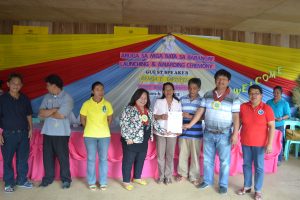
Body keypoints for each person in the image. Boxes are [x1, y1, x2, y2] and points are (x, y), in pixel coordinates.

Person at [183, 69, 240, 194]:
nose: (221, 81)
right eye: (219, 79)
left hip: (225, 134)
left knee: (224, 161)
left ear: (228, 81)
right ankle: (207, 181)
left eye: (224, 79)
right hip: (208, 133)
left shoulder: (234, 97)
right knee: (208, 160)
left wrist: (235, 134)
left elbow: (236, 117)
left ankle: (223, 184)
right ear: (215, 80)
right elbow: (200, 112)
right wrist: (190, 124)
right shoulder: (208, 94)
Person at [120, 88, 166, 191]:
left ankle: (137, 177)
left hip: (143, 140)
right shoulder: (129, 109)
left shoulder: (148, 111)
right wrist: (128, 138)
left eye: (145, 98)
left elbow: (154, 123)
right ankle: (126, 181)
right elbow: (123, 124)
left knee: (140, 160)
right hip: (131, 141)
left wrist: (164, 131)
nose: (143, 100)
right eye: (141, 97)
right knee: (128, 161)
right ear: (135, 98)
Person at [238, 84, 275, 200]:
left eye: (256, 93)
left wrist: (269, 143)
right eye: (251, 93)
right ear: (248, 95)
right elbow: (238, 123)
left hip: (260, 144)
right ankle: (247, 186)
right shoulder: (243, 107)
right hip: (245, 142)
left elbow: (272, 127)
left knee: (259, 167)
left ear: (261, 95)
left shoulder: (266, 108)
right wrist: (234, 134)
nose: (254, 95)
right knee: (246, 165)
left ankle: (258, 190)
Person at [38, 74, 74, 189]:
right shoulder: (46, 97)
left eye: (47, 85)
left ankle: (66, 180)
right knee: (47, 157)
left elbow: (61, 115)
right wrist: (54, 109)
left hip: (61, 133)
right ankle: (48, 178)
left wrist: (48, 112)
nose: (46, 88)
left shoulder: (67, 98)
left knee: (63, 157)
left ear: (54, 86)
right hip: (48, 132)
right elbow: (41, 113)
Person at [0, 73, 33, 193]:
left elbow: (28, 114)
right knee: (7, 160)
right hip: (8, 134)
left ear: (21, 85)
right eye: (13, 83)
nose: (16, 85)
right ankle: (9, 183)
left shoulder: (24, 98)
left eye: (18, 83)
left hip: (24, 134)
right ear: (8, 84)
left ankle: (22, 180)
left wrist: (31, 129)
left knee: (23, 159)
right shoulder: (2, 99)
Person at [80, 81, 113, 191]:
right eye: (97, 89)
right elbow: (82, 118)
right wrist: (89, 128)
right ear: (92, 91)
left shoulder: (107, 104)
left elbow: (110, 118)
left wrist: (104, 128)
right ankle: (91, 182)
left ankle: (103, 182)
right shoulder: (86, 104)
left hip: (104, 136)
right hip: (89, 136)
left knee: (103, 159)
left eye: (102, 89)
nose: (100, 91)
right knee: (91, 159)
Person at [153, 82, 182, 185]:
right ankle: (161, 177)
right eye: (166, 89)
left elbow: (179, 117)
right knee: (160, 156)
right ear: (163, 91)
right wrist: (160, 116)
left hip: (172, 134)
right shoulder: (158, 101)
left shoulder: (177, 102)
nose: (168, 91)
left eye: (170, 89)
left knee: (170, 156)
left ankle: (168, 176)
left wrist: (178, 130)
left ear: (173, 91)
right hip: (160, 133)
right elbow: (153, 116)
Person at [176, 78, 203, 186]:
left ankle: (194, 176)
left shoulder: (202, 101)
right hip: (183, 132)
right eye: (190, 88)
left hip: (196, 133)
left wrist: (190, 116)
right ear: (187, 88)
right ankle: (182, 174)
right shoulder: (182, 99)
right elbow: (176, 114)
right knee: (183, 154)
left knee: (195, 156)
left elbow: (204, 117)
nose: (192, 90)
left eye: (195, 88)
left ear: (199, 88)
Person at [266, 86, 290, 166]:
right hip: (269, 125)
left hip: (279, 125)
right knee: (268, 141)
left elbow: (288, 115)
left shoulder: (284, 103)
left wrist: (281, 118)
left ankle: (278, 159)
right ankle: (268, 158)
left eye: (278, 92)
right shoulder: (269, 102)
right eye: (274, 92)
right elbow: (265, 112)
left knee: (278, 142)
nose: (275, 94)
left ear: (281, 93)